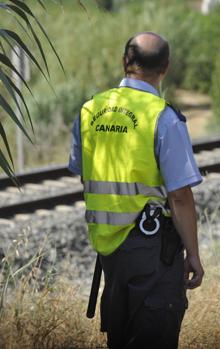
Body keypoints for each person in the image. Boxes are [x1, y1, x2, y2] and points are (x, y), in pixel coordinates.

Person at [68, 32, 204, 349]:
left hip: (108, 250)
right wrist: (194, 255)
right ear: (165, 67)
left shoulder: (89, 110)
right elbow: (180, 196)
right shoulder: (162, 117)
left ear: (125, 62)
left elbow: (83, 173)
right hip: (152, 249)